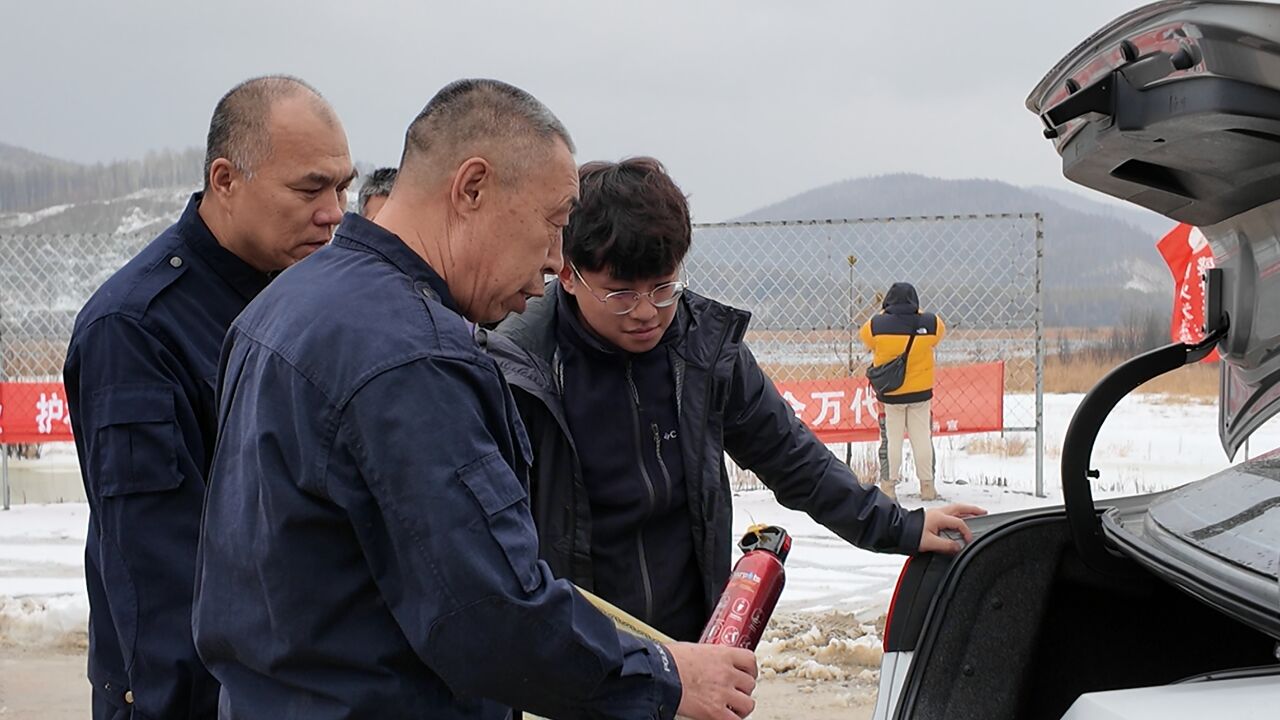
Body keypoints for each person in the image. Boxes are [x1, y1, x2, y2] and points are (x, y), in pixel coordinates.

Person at [193, 79, 757, 720]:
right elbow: (492, 616)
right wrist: (669, 678)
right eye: (552, 224)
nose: (554, 260)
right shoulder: (413, 358)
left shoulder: (281, 307)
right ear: (472, 188)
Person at [483, 157, 985, 642]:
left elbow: (792, 457)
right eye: (620, 294)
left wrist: (898, 526)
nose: (646, 313)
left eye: (663, 288)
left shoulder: (705, 350)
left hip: (692, 641)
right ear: (568, 275)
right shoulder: (518, 367)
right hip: (575, 651)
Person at [63, 75, 354, 720]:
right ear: (225, 180)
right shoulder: (137, 330)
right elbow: (163, 580)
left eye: (343, 187)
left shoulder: (300, 300)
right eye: (310, 188)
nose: (334, 211)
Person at [860, 282, 946, 501]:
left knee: (892, 440)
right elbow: (939, 336)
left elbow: (866, 339)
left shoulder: (876, 325)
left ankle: (889, 488)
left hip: (891, 394)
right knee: (922, 439)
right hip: (920, 393)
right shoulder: (931, 323)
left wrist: (884, 312)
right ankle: (927, 487)